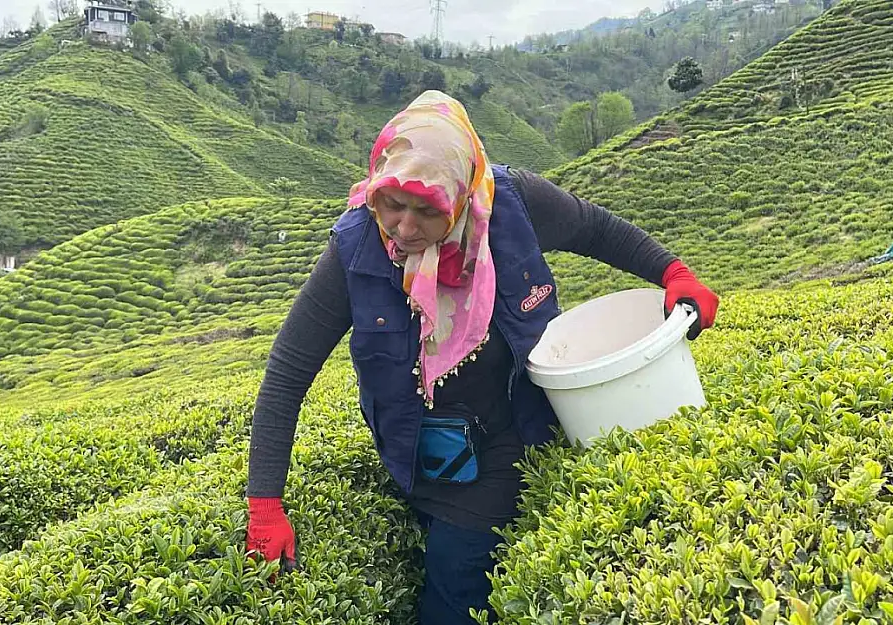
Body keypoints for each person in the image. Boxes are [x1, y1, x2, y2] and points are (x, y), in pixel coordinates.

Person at [245, 90, 719, 624]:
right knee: (449, 578)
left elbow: (595, 228)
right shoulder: (355, 247)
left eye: (428, 210)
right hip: (430, 455)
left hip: (521, 427)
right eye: (392, 204)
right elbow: (288, 371)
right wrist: (265, 502)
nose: (403, 228)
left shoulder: (511, 204)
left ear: (463, 195)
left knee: (482, 586)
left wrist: (672, 273)